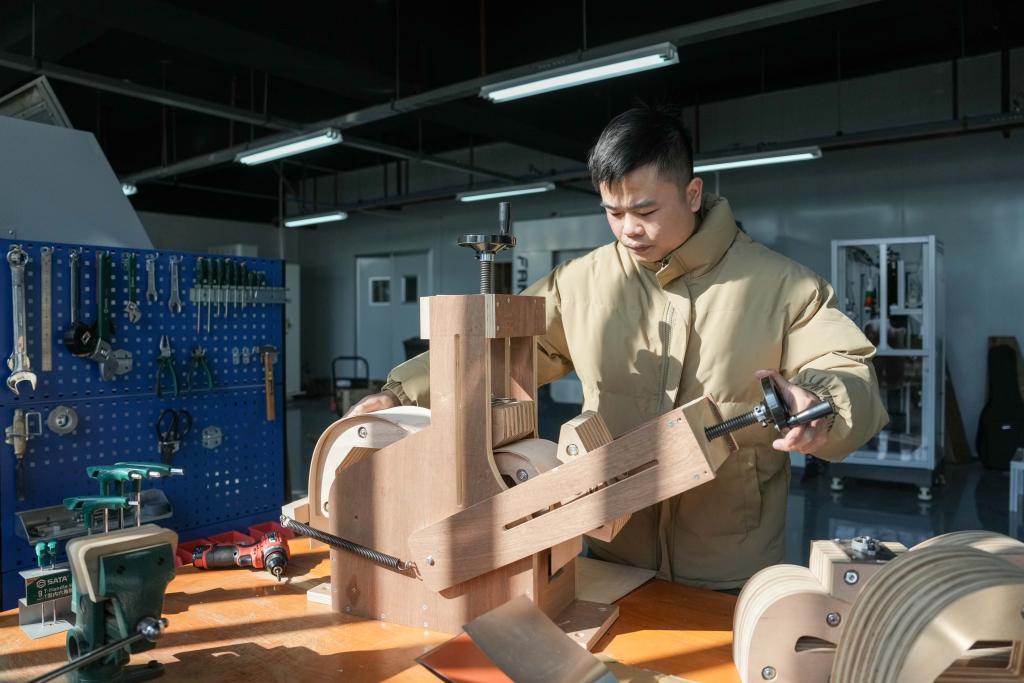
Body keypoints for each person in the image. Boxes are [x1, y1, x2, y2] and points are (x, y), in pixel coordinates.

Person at [346, 105, 888, 590]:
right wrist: (402, 394)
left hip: (728, 560)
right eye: (613, 211)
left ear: (692, 194)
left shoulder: (785, 286)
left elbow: (844, 367)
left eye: (645, 211)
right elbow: (503, 353)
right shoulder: (579, 284)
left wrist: (822, 405)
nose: (628, 229)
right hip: (612, 548)